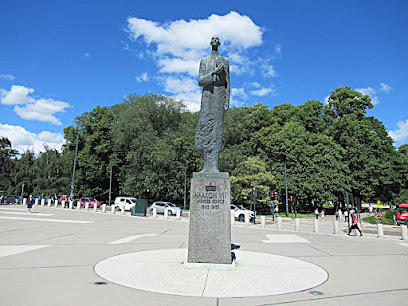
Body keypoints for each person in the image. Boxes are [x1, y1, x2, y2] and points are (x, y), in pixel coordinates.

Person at [195, 35, 230, 173]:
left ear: (219, 43)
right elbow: (200, 80)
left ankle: (214, 166)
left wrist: (227, 100)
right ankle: (206, 166)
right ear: (210, 43)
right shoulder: (204, 61)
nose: (215, 41)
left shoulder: (225, 61)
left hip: (219, 97)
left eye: (217, 39)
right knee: (205, 128)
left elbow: (228, 83)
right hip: (208, 97)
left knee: (217, 131)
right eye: (213, 39)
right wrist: (214, 72)